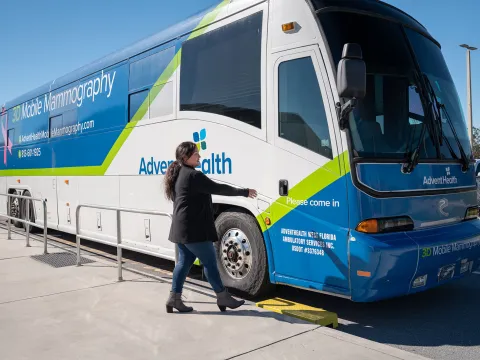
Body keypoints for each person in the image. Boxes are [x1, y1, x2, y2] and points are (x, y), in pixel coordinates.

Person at [164, 141, 257, 313]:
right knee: (210, 263)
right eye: (196, 154)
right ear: (185, 157)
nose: (199, 156)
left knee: (184, 263)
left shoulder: (179, 174)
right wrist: (244, 192)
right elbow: (218, 188)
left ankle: (174, 299)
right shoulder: (193, 175)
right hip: (194, 231)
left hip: (181, 229)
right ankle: (222, 297)